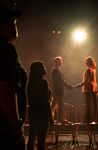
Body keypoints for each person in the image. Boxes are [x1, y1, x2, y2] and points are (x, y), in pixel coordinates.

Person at [0, 4, 27, 150]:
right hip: (4, 129)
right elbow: (5, 90)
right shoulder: (6, 49)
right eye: (12, 21)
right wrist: (16, 126)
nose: (15, 25)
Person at [27, 60, 54, 150]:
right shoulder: (44, 83)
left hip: (33, 115)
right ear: (39, 70)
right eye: (43, 67)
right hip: (42, 116)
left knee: (31, 140)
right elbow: (45, 101)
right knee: (41, 142)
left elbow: (31, 102)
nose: (45, 68)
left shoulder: (30, 84)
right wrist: (50, 117)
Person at [50, 56, 73, 124]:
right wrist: (68, 86)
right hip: (58, 90)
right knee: (60, 106)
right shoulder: (56, 70)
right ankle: (62, 120)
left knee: (54, 105)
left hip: (57, 90)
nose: (61, 62)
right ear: (56, 62)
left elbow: (60, 80)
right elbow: (61, 80)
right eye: (59, 61)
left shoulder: (56, 70)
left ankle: (50, 117)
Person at [75, 56, 98, 123]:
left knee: (88, 105)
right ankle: (96, 119)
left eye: (86, 62)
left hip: (88, 88)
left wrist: (79, 85)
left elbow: (86, 81)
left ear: (88, 62)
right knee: (95, 104)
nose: (85, 63)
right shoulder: (93, 69)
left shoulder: (88, 69)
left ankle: (87, 120)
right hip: (94, 88)